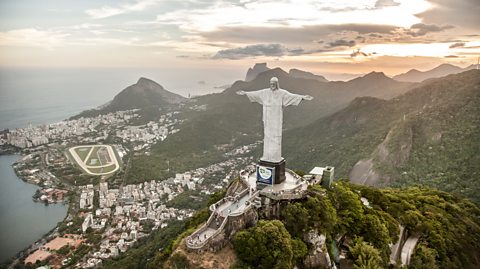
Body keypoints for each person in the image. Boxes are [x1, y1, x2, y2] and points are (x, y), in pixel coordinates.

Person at [237, 77, 313, 163]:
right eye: (271, 83)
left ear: (277, 84)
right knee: (267, 138)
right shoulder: (265, 92)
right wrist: (245, 93)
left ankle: (275, 157)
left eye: (274, 83)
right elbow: (255, 93)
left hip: (276, 120)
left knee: (276, 138)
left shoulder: (282, 93)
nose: (272, 85)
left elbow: (292, 96)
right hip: (267, 120)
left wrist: (303, 97)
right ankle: (267, 156)